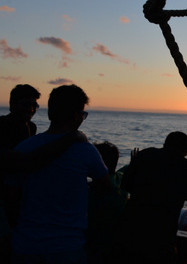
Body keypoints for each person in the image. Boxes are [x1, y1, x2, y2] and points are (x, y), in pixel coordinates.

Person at [6, 84, 111, 264]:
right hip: (67, 247)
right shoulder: (86, 150)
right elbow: (106, 188)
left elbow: (11, 197)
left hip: (25, 245)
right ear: (77, 116)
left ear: (50, 113)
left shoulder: (24, 148)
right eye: (83, 114)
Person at [120, 131, 187, 264]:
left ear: (164, 144)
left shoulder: (144, 155)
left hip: (131, 226)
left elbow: (125, 185)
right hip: (162, 234)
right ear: (186, 151)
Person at [0, 84, 41, 261]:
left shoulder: (31, 128)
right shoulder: (1, 125)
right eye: (26, 105)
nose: (31, 110)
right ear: (12, 104)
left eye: (34, 106)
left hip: (21, 191)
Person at [87, 141, 129, 264]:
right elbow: (126, 169)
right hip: (114, 242)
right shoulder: (120, 180)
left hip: (93, 244)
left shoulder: (91, 189)